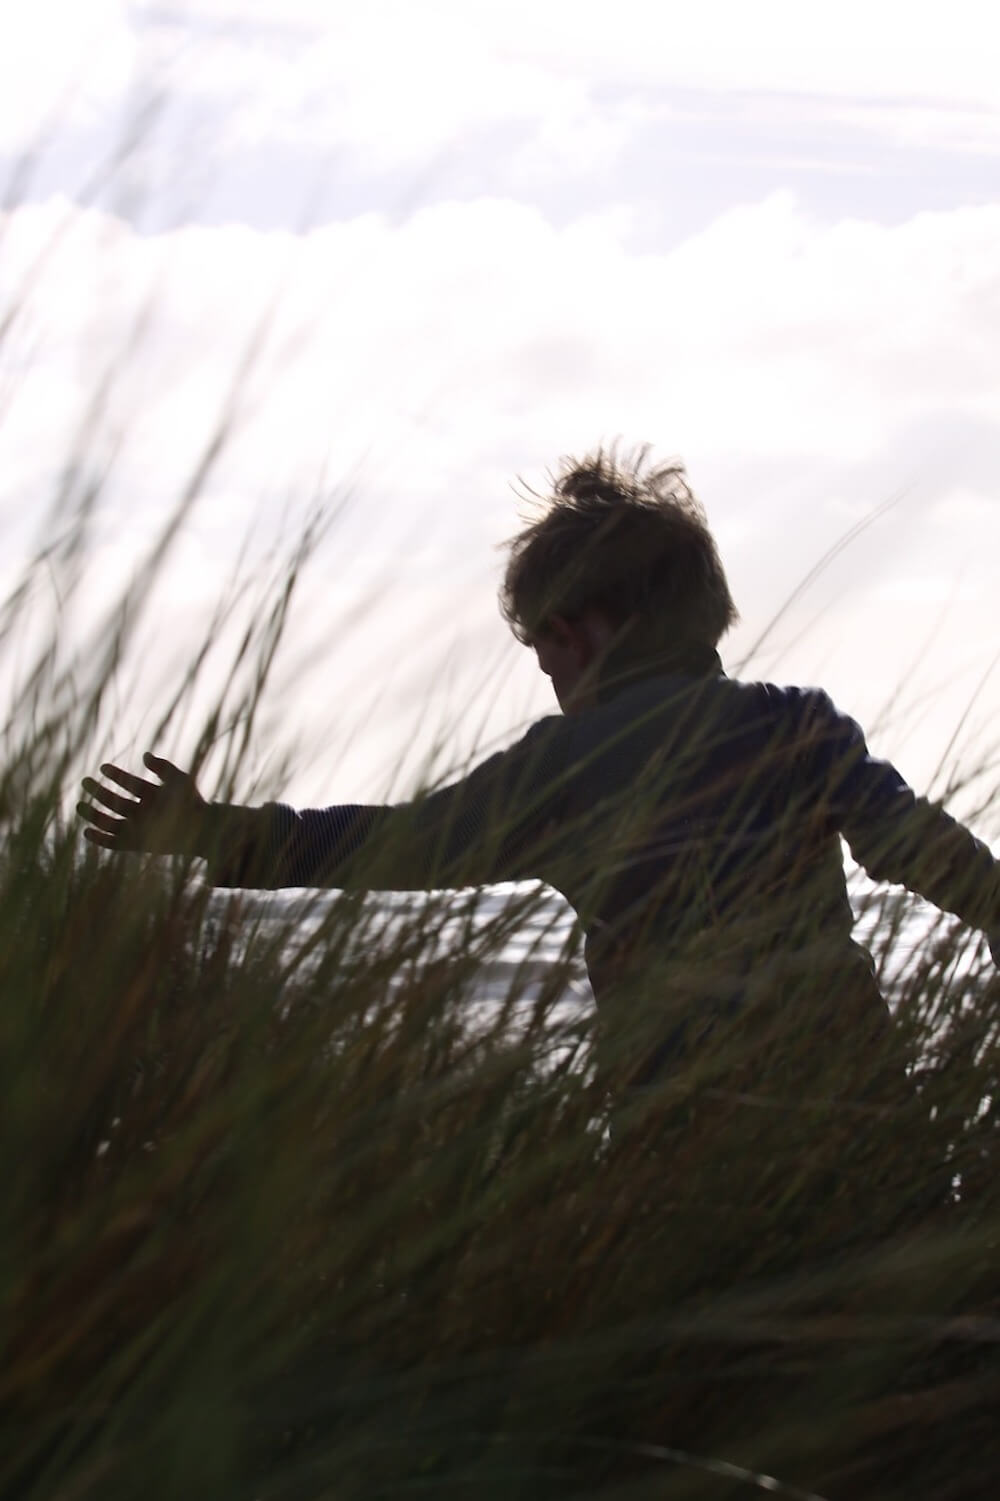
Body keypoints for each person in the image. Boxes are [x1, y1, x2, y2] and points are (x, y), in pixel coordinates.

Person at [78, 447, 1000, 1117]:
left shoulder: (564, 768)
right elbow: (920, 850)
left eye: (544, 647)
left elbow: (390, 847)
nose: (547, 675)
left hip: (675, 1132)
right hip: (863, 1107)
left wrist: (215, 834)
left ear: (582, 630)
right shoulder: (798, 723)